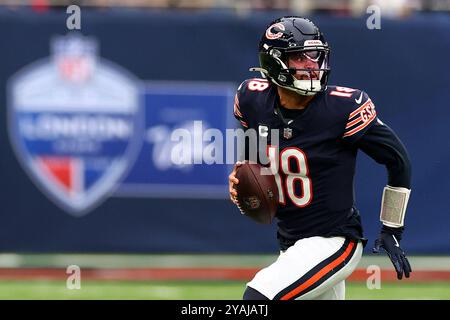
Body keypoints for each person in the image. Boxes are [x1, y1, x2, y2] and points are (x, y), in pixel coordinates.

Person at [228, 16, 412, 300]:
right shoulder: (252, 99)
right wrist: (244, 171)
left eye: (316, 57)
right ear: (274, 62)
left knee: (258, 298)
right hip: (290, 241)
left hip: (334, 240)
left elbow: (398, 160)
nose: (312, 66)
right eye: (300, 58)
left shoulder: (342, 107)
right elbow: (255, 149)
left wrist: (392, 228)